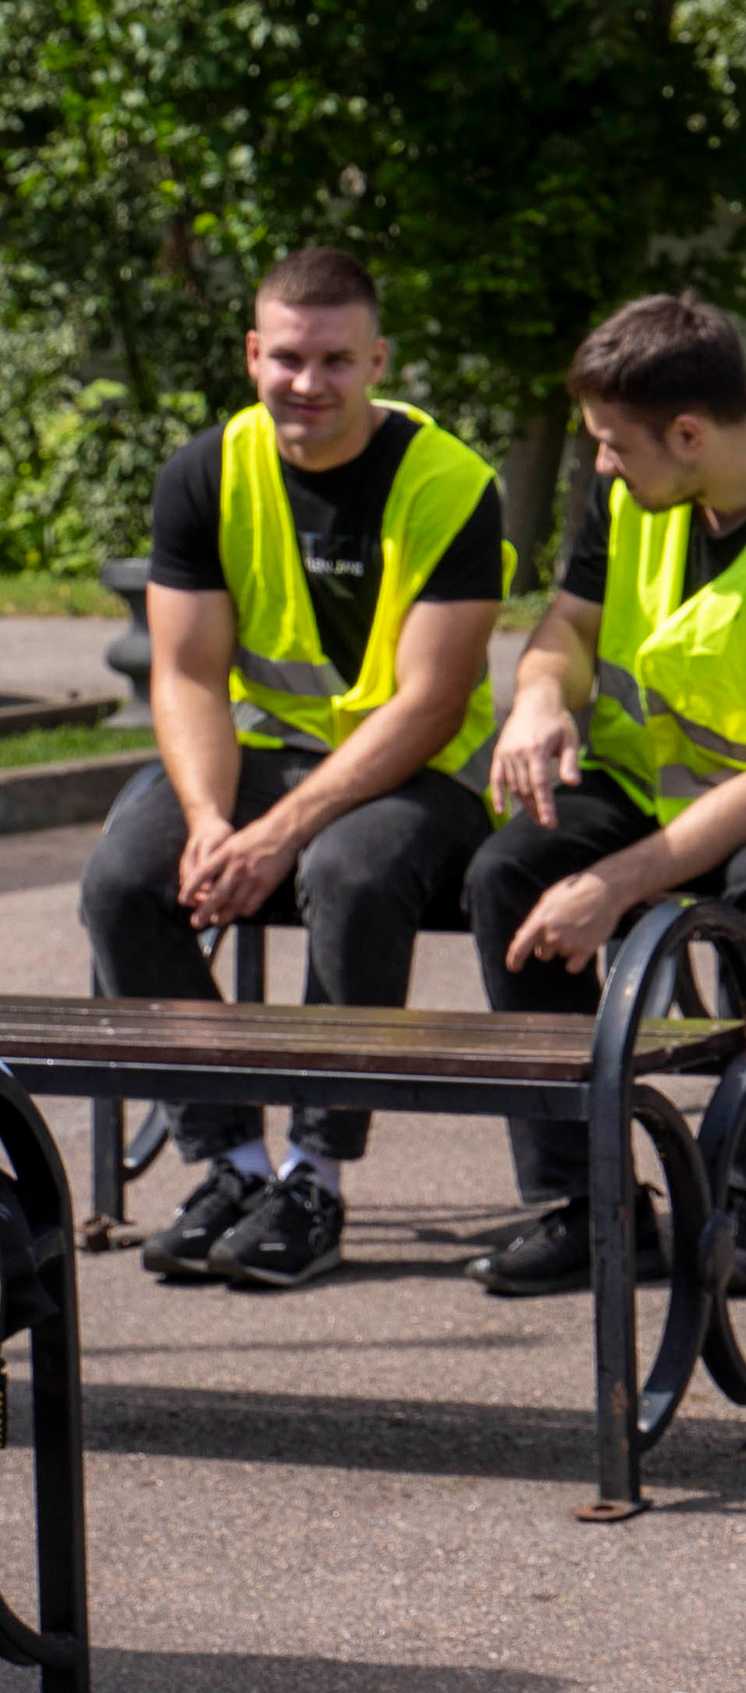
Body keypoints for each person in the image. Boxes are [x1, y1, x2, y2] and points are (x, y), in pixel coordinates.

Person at [465, 294, 746, 1291]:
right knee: (509, 873)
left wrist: (612, 886)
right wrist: (538, 699)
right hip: (654, 783)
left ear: (687, 434)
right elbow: (570, 625)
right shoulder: (638, 488)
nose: (601, 464)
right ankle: (590, 1206)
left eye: (613, 444)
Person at [79, 243, 507, 1292]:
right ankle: (229, 1164)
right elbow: (185, 674)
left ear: (377, 361)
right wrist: (210, 821)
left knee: (349, 872)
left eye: (335, 360)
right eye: (287, 358)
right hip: (263, 754)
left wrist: (279, 832)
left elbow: (431, 702)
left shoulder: (450, 481)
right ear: (251, 355)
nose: (308, 382)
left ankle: (316, 1178)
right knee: (124, 880)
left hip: (419, 772)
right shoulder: (205, 471)